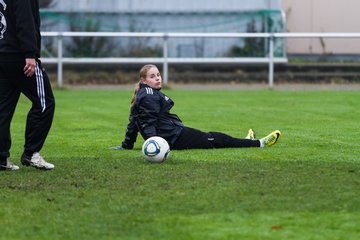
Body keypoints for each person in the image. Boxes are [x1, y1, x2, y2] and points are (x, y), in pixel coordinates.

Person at [116, 64, 281, 152]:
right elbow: (148, 122)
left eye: (158, 75)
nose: (158, 78)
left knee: (212, 138)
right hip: (174, 137)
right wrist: (155, 144)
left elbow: (133, 123)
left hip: (172, 135)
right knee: (214, 139)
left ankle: (247, 141)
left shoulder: (142, 95)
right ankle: (259, 144)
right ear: (144, 81)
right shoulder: (150, 95)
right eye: (152, 76)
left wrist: (127, 145)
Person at [0, 0, 55, 171]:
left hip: (3, 57)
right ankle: (31, 153)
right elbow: (25, 21)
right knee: (45, 103)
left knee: (3, 109)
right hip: (21, 58)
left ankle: (1, 158)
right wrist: (30, 53)